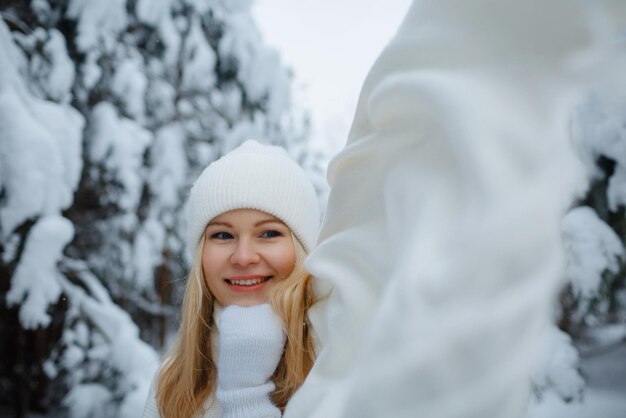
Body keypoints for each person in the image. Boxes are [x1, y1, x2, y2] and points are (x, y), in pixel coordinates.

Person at [142, 140, 321, 418]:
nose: (243, 257)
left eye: (269, 233)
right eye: (223, 235)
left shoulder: (338, 363)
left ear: (302, 248)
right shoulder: (173, 382)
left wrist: (245, 395)